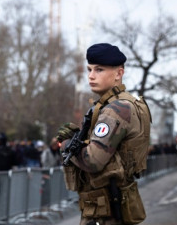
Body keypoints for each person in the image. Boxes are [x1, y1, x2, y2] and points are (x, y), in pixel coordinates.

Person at [58, 43, 151, 225]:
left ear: (118, 73)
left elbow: (93, 160)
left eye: (99, 70)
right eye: (89, 69)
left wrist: (66, 143)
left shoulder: (116, 109)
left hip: (107, 212)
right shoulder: (126, 104)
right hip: (111, 207)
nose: (91, 76)